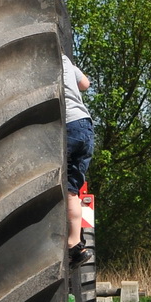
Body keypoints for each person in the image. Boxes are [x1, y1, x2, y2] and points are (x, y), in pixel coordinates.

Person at [62, 52, 94, 254]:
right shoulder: (65, 60)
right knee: (72, 190)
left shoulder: (41, 55)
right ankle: (75, 243)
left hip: (67, 124)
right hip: (85, 125)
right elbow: (85, 85)